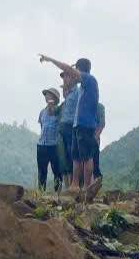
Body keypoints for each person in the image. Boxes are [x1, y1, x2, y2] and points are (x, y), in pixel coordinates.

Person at [39, 55, 99, 191]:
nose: (71, 76)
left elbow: (67, 68)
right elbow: (67, 93)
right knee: (76, 157)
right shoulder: (83, 87)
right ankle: (74, 186)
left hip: (86, 124)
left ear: (79, 69)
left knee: (87, 157)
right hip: (78, 125)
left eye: (74, 72)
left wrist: (51, 59)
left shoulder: (89, 79)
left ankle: (87, 187)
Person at [36, 87, 63, 192]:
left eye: (49, 94)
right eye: (46, 95)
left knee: (57, 171)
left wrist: (53, 109)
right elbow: (42, 126)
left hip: (54, 146)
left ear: (55, 98)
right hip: (42, 145)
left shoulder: (59, 112)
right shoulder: (42, 112)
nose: (47, 96)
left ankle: (58, 193)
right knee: (42, 171)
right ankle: (41, 192)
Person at [58, 70, 79, 186]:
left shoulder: (77, 92)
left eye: (66, 76)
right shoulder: (69, 94)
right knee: (66, 157)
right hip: (65, 128)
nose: (64, 79)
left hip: (72, 127)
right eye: (63, 77)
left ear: (73, 78)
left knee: (73, 156)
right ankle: (70, 186)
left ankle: (75, 185)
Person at [93, 101, 105, 179]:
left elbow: (102, 123)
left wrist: (96, 136)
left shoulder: (100, 107)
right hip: (84, 137)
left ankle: (96, 179)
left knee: (94, 161)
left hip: (94, 137)